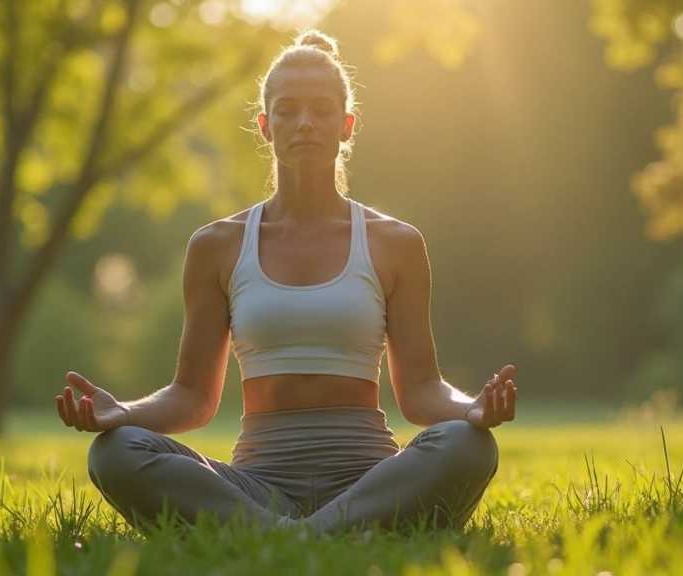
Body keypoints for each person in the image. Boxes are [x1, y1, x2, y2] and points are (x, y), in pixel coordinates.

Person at [55, 29, 519, 535]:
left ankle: (288, 537)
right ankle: (320, 534)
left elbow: (422, 391)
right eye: (287, 110)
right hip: (257, 487)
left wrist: (469, 408)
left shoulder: (395, 243)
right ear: (265, 125)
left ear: (346, 126)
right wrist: (121, 413)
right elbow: (192, 396)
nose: (304, 124)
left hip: (370, 478)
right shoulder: (217, 245)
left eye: (321, 111)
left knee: (469, 444)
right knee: (115, 452)